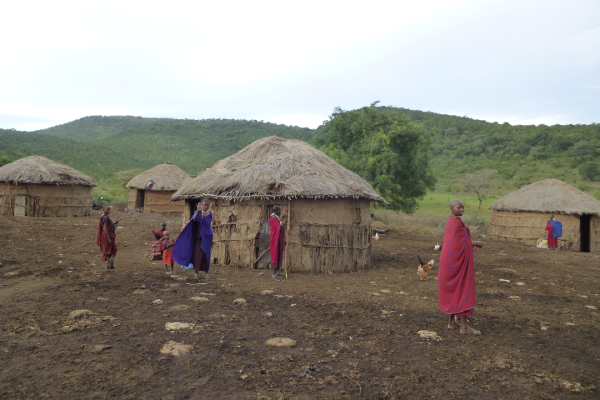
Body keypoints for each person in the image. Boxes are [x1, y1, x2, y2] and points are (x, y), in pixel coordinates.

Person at [438, 199, 483, 335]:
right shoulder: (456, 224)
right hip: (456, 264)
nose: (462, 209)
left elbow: (455, 243)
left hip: (447, 263)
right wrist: (476, 242)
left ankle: (452, 322)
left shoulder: (450, 221)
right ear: (452, 208)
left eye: (463, 207)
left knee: (453, 290)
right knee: (462, 289)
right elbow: (462, 244)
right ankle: (464, 327)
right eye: (459, 207)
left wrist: (471, 243)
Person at [172, 199, 214, 279]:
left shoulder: (210, 214)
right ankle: (196, 273)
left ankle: (206, 272)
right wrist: (198, 212)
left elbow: (207, 225)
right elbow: (194, 221)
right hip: (198, 237)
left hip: (207, 236)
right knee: (197, 254)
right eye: (204, 205)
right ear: (202, 205)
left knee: (206, 254)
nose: (206, 207)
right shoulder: (197, 212)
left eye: (207, 206)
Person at [96, 205, 119, 269]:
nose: (109, 211)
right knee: (110, 249)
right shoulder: (105, 217)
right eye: (107, 209)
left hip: (105, 234)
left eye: (109, 209)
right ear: (104, 209)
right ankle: (110, 264)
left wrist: (114, 223)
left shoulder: (103, 216)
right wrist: (109, 238)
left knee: (108, 249)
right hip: (108, 234)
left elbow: (107, 225)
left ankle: (108, 264)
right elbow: (105, 227)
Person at [269, 205, 286, 279]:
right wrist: (282, 219)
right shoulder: (273, 218)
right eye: (280, 210)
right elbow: (281, 227)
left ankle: (276, 273)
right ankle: (274, 274)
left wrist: (281, 220)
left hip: (278, 238)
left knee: (278, 254)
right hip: (275, 240)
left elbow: (281, 227)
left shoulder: (276, 218)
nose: (280, 211)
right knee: (275, 254)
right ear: (276, 211)